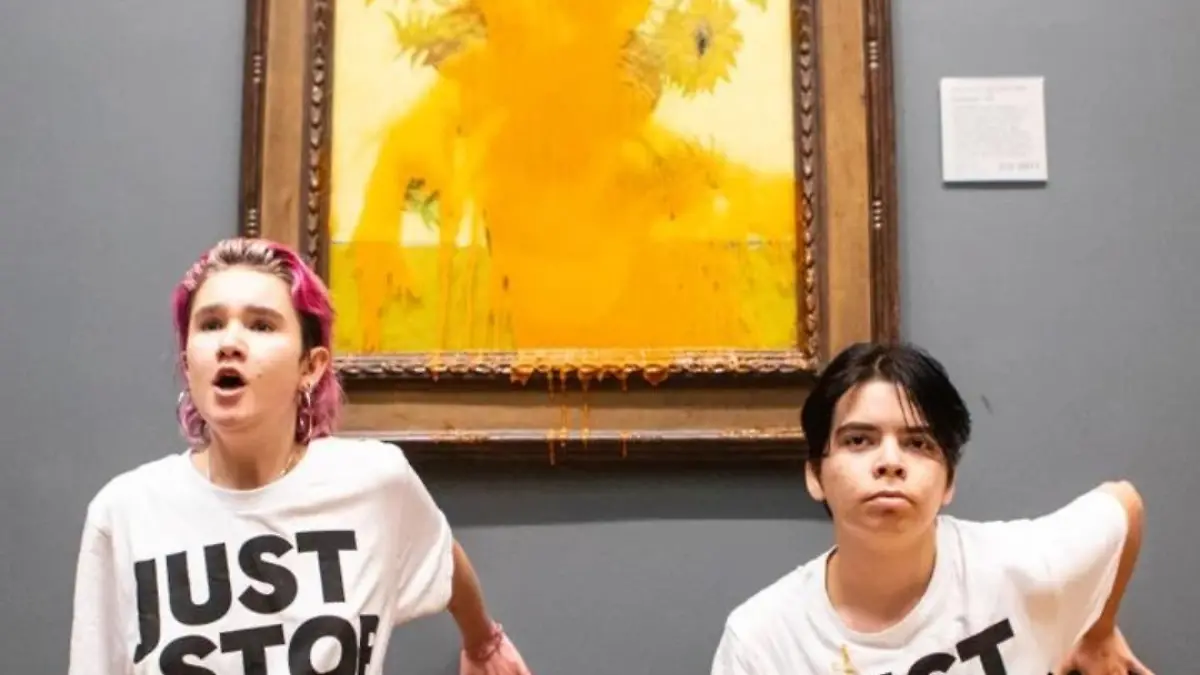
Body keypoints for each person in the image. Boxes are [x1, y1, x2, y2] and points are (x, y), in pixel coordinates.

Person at [68, 237, 532, 675]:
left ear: (310, 367)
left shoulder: (373, 482)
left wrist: (483, 641)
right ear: (189, 364)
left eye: (261, 325)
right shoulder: (126, 512)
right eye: (210, 324)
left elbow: (442, 559)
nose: (229, 342)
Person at [710, 342, 1153, 675]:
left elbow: (1124, 503)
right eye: (859, 440)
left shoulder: (1024, 567)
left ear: (949, 482)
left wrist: (1096, 631)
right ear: (814, 474)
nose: (890, 462)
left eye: (918, 444)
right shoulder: (761, 643)